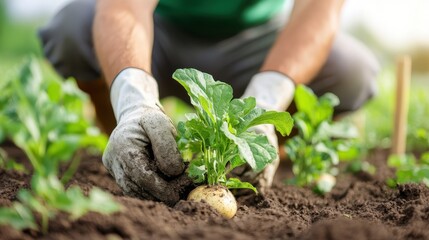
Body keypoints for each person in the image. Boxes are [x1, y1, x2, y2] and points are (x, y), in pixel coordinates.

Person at [39, 0, 379, 206]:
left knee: (351, 70)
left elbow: (317, 13)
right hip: (157, 30)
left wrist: (262, 106)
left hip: (259, 42)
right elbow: (123, 6)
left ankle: (256, 155)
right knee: (72, 28)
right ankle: (129, 139)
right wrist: (133, 101)